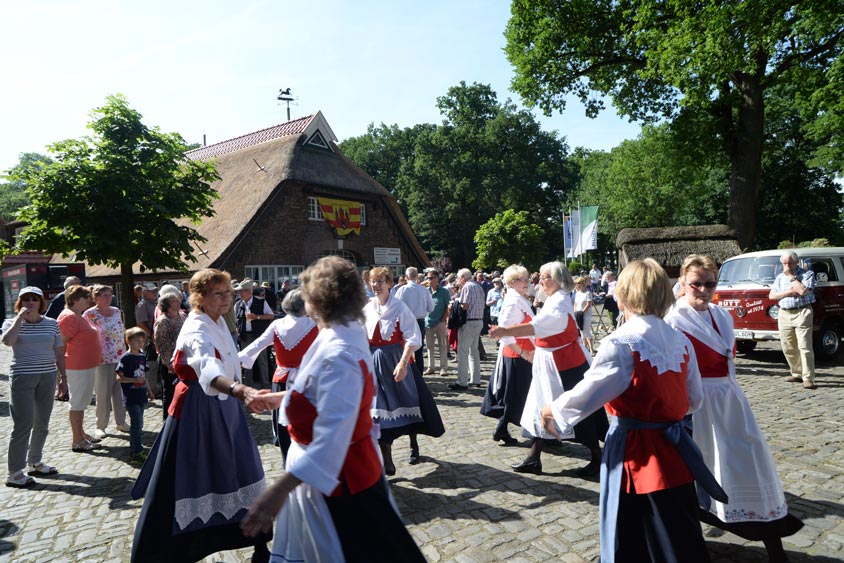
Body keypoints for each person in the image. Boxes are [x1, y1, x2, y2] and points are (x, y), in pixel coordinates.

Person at [239, 256, 425, 562]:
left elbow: (333, 437)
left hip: (342, 480)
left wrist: (277, 492)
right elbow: (324, 391)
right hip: (328, 477)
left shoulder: (340, 350)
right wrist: (283, 397)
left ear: (317, 300)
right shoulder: (339, 331)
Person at [540, 258, 725, 563]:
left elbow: (590, 392)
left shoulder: (621, 343)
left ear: (623, 294)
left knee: (632, 528)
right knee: (677, 526)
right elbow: (694, 399)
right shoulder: (681, 341)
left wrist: (553, 411)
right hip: (675, 448)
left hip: (634, 451)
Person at [666, 254, 803, 563]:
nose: (702, 290)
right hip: (694, 403)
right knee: (696, 470)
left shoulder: (722, 315)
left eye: (709, 284)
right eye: (696, 284)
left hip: (729, 400)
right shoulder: (673, 319)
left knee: (748, 460)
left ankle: (771, 539)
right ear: (683, 284)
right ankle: (691, 542)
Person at [130, 268, 272, 563]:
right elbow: (207, 368)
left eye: (228, 293)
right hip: (200, 408)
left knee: (244, 469)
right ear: (199, 297)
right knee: (191, 476)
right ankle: (170, 551)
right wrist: (240, 390)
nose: (225, 299)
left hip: (226, 407)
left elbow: (231, 357)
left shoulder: (217, 320)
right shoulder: (196, 328)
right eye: (218, 294)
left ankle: (259, 543)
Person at [489, 262, 607, 476]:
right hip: (553, 363)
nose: (540, 281)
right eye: (541, 277)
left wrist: (505, 330)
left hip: (563, 365)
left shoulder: (559, 302)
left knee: (573, 411)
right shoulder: (555, 299)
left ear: (558, 279)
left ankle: (598, 457)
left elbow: (537, 327)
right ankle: (534, 457)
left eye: (545, 277)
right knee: (542, 408)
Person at [365, 266, 445, 476]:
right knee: (379, 410)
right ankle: (387, 460)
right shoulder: (367, 307)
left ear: (390, 284)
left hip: (396, 359)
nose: (376, 285)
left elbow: (412, 337)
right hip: (373, 362)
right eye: (373, 282)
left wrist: (402, 363)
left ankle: (413, 443)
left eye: (380, 281)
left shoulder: (399, 307)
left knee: (408, 401)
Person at [239, 289, 318, 464]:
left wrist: (238, 360)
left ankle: (288, 461)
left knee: (284, 424)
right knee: (307, 422)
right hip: (306, 381)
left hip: (281, 379)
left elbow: (258, 344)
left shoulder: (277, 325)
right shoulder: (314, 325)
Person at [3, 287, 64, 488]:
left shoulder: (51, 324)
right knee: (23, 424)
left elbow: (58, 351)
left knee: (42, 422)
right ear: (20, 302)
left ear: (41, 303)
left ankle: (35, 461)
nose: (30, 303)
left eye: (35, 299)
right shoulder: (11, 323)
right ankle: (14, 472)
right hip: (22, 377)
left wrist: (63, 377)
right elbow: (8, 341)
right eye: (26, 299)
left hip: (47, 375)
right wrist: (19, 320)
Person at [481, 265, 534, 446]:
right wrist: (523, 352)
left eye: (527, 279)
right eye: (523, 279)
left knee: (517, 394)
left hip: (522, 353)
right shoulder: (513, 301)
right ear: (512, 283)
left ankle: (503, 428)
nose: (527, 282)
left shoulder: (518, 299)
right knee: (516, 395)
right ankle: (506, 428)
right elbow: (503, 332)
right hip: (517, 354)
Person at [58, 285, 104, 453]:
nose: (89, 301)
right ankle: (77, 440)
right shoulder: (69, 317)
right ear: (76, 299)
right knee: (77, 402)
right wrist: (61, 372)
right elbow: (61, 344)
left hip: (84, 366)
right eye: (86, 298)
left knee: (81, 402)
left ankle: (81, 434)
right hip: (77, 367)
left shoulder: (76, 315)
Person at [83, 284, 129, 439]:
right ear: (95, 297)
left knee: (119, 392)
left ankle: (121, 422)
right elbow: (85, 335)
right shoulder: (89, 314)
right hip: (101, 358)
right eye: (103, 295)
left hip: (120, 356)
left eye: (109, 295)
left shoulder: (116, 311)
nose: (107, 298)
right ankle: (100, 425)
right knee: (103, 393)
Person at [769, 250, 816, 389]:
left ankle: (808, 378)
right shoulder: (779, 277)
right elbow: (772, 296)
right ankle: (796, 373)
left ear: (796, 262)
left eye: (789, 263)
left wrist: (790, 276)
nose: (786, 266)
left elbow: (802, 291)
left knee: (804, 346)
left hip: (802, 311)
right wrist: (789, 292)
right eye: (784, 263)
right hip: (784, 313)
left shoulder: (807, 274)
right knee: (788, 346)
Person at [116, 328, 149, 464]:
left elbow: (144, 376)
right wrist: (134, 380)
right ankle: (137, 452)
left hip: (142, 395)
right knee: (136, 424)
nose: (140, 343)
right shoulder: (126, 358)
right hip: (131, 396)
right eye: (137, 341)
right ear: (128, 341)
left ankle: (134, 449)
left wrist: (150, 391)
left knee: (139, 424)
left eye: (142, 341)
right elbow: (119, 377)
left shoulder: (142, 356)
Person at [153, 291, 187, 420]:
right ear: (166, 304)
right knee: (169, 391)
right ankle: (168, 420)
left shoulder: (183, 316)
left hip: (183, 359)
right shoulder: (163, 321)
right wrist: (169, 363)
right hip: (169, 362)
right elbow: (160, 344)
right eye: (174, 301)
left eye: (178, 299)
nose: (177, 302)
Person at [235, 278, 274, 389]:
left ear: (249, 292)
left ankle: (265, 386)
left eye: (241, 291)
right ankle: (248, 387)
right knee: (246, 361)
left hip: (258, 336)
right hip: (245, 337)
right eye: (239, 291)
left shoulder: (261, 302)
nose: (239, 293)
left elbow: (271, 316)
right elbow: (236, 321)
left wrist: (256, 317)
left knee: (262, 361)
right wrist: (238, 332)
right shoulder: (238, 304)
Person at [394, 266, 435, 372]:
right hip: (420, 321)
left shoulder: (402, 290)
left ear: (406, 277)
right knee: (419, 349)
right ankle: (419, 374)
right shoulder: (423, 290)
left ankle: (406, 372)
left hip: (405, 321)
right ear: (416, 277)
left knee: (404, 348)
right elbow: (431, 307)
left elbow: (395, 307)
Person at [451, 268, 485, 390]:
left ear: (463, 277)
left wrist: (456, 302)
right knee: (474, 351)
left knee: (463, 351)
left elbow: (464, 306)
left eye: (459, 278)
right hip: (479, 321)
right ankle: (475, 379)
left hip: (469, 322)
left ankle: (462, 381)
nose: (458, 280)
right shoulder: (478, 286)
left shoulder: (467, 287)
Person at [423, 270, 451, 376]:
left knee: (442, 345)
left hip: (440, 322)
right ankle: (431, 367)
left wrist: (443, 320)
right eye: (428, 278)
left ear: (437, 278)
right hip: (428, 322)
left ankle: (443, 368)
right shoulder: (426, 291)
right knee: (429, 346)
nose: (429, 280)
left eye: (431, 278)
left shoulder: (444, 292)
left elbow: (448, 307)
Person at [573, 276, 595, 355]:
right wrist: (575, 312)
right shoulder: (577, 293)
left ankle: (591, 349)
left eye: (578, 283)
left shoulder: (587, 293)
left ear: (583, 284)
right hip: (578, 314)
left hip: (585, 315)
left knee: (587, 331)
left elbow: (588, 304)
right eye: (575, 283)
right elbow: (575, 304)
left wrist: (582, 312)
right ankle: (585, 348)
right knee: (581, 332)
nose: (576, 285)